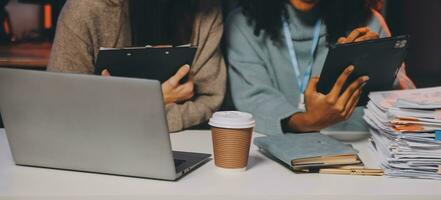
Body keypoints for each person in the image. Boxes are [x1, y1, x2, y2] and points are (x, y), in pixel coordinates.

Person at [226, 0, 415, 135]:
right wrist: (309, 121)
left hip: (359, 148)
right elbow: (254, 99)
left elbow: (404, 98)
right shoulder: (244, 23)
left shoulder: (367, 20)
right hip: (275, 151)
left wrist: (380, 62)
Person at [47, 0, 226, 132]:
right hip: (99, 146)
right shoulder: (85, 9)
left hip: (183, 144)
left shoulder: (205, 9)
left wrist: (116, 110)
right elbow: (60, 110)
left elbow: (210, 101)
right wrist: (152, 100)